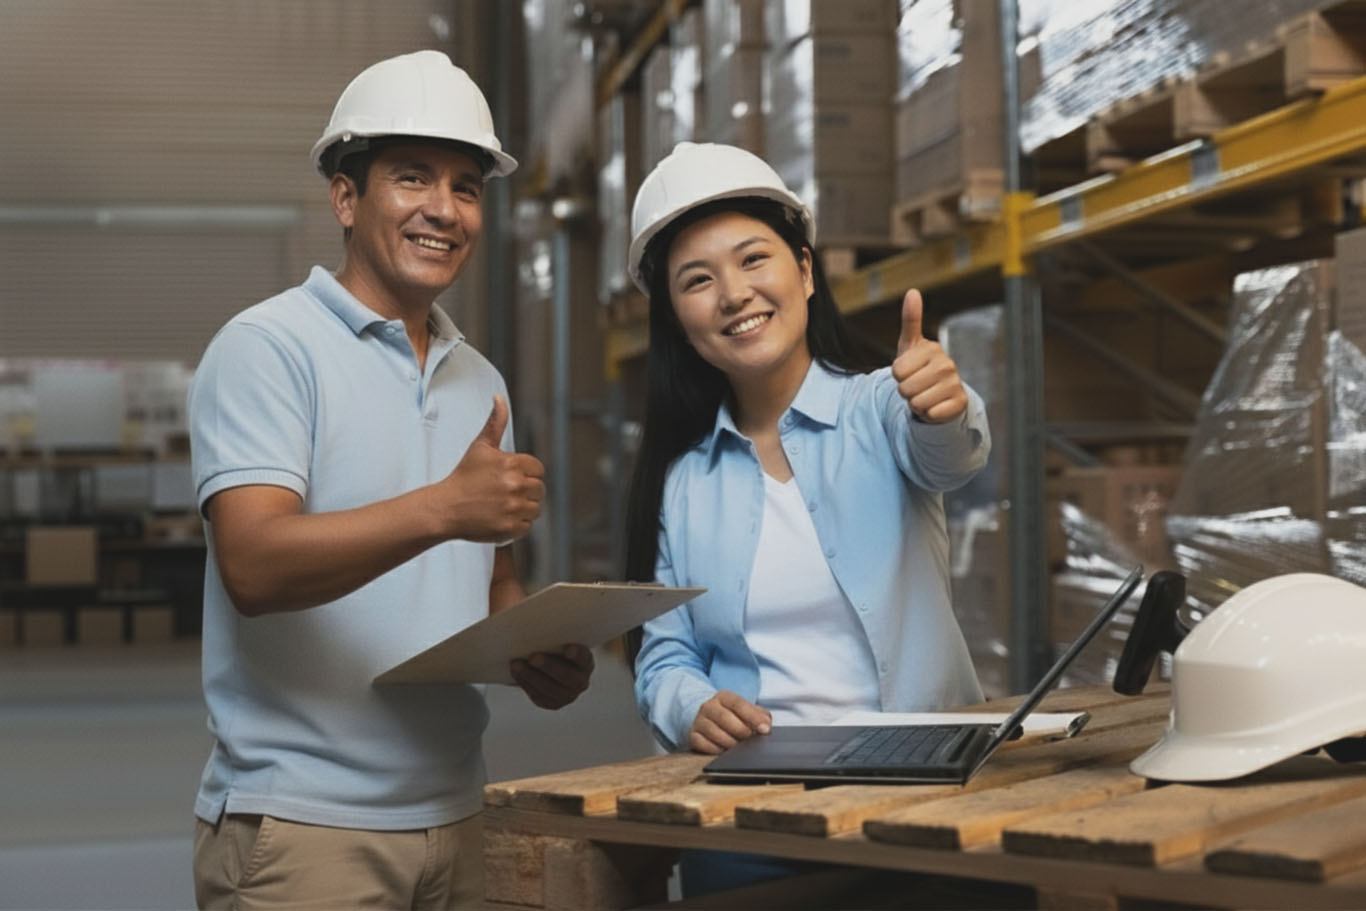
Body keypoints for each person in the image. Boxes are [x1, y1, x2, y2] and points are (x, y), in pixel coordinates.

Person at [187, 50, 594, 910]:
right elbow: (253, 565)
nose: (444, 210)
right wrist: (446, 506)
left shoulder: (480, 379)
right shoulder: (267, 349)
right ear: (345, 195)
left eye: (466, 186)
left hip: (459, 813)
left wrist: (531, 652)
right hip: (305, 830)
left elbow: (493, 583)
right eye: (413, 178)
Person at [624, 142, 990, 895]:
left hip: (922, 796)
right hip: (750, 813)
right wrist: (691, 705)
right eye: (698, 280)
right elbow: (663, 656)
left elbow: (950, 454)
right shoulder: (682, 480)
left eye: (754, 259)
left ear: (806, 270)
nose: (733, 293)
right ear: (678, 319)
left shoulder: (883, 405)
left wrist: (945, 401)